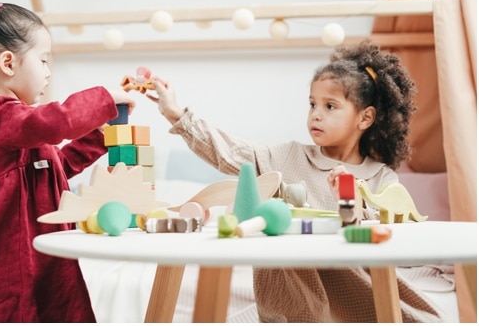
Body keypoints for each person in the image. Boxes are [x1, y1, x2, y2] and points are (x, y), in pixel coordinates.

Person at [147, 41, 445, 322]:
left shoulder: (381, 177)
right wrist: (175, 113)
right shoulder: (287, 157)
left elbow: (389, 235)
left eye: (330, 106)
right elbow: (228, 151)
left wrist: (350, 199)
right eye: (312, 104)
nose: (315, 115)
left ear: (365, 118)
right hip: (294, 297)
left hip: (355, 290)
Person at [0, 1, 135, 322]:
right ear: (8, 63)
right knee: (15, 311)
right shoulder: (0, 117)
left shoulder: (23, 128)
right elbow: (55, 124)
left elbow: (57, 165)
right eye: (43, 60)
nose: (48, 71)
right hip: (11, 255)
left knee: (54, 306)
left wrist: (100, 135)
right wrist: (103, 99)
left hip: (40, 251)